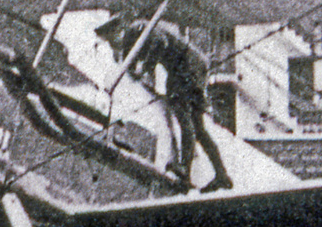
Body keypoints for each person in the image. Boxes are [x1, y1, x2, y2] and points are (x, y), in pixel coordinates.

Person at [96, 14, 233, 193]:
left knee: (185, 119)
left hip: (187, 67)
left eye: (111, 38)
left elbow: (161, 43)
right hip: (193, 67)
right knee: (198, 129)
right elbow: (129, 68)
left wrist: (145, 68)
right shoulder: (130, 44)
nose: (112, 44)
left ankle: (184, 171)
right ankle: (221, 175)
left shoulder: (138, 29)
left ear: (118, 30)